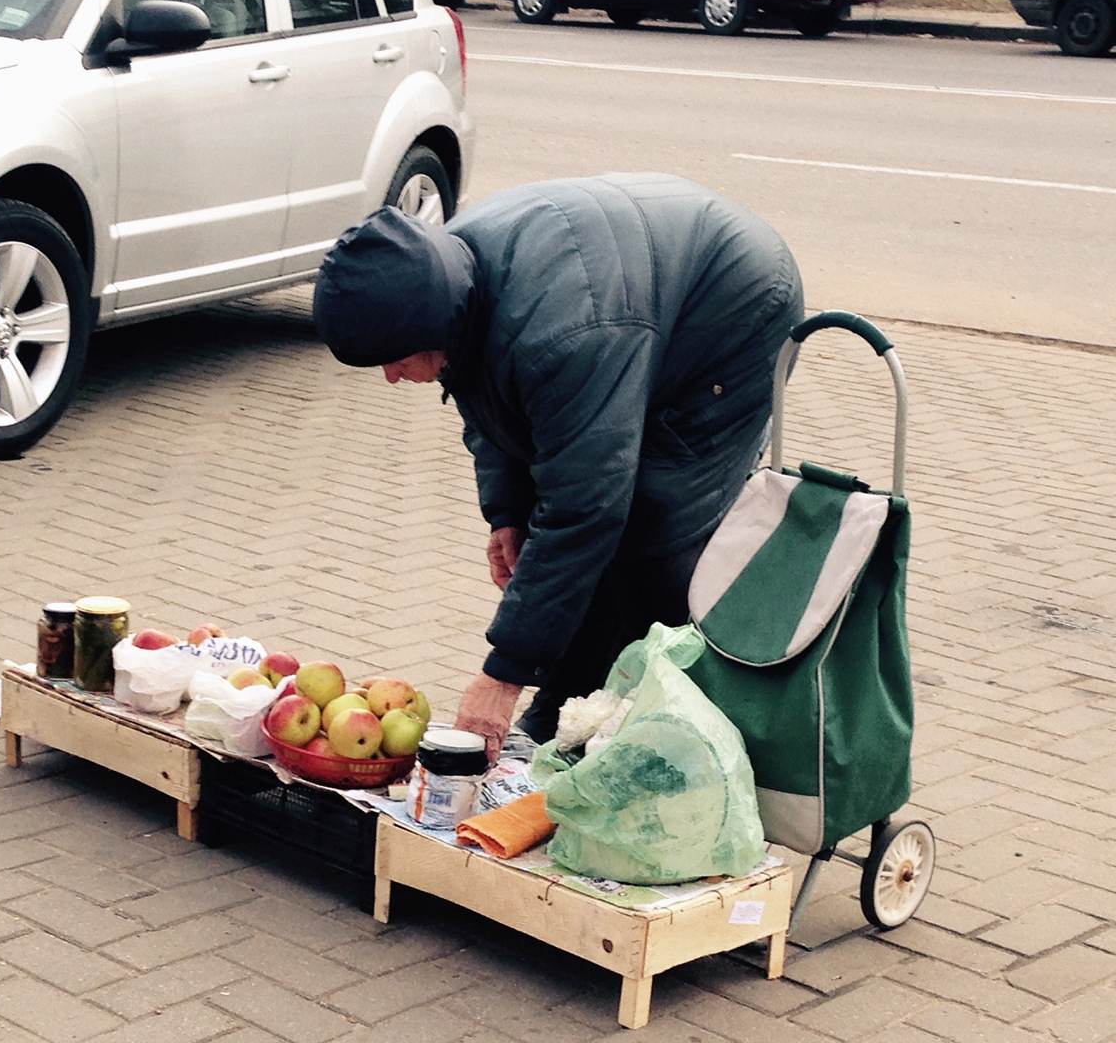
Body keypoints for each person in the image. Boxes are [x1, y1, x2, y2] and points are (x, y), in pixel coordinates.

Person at [312, 173, 804, 759]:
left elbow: (585, 509)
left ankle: (660, 730)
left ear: (429, 325)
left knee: (653, 525)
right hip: (634, 295)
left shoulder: (561, 334)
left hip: (733, 312)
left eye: (391, 360)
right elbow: (494, 407)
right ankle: (568, 708)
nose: (392, 377)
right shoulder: (451, 284)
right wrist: (509, 514)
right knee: (585, 523)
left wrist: (502, 676)